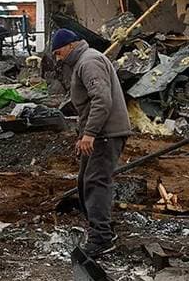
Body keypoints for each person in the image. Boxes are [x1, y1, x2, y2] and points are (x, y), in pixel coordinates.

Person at [49, 27, 130, 256]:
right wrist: (83, 134)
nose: (58, 57)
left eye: (58, 52)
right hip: (101, 133)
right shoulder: (85, 60)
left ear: (70, 45)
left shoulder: (89, 62)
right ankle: (103, 229)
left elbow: (102, 100)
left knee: (96, 183)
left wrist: (90, 134)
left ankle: (101, 238)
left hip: (105, 134)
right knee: (86, 182)